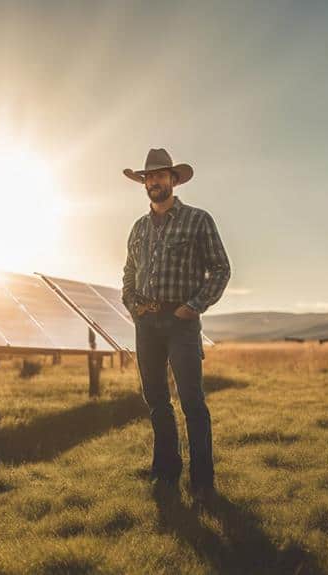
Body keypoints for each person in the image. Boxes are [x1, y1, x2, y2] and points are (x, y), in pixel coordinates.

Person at [121, 148, 231, 500]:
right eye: (148, 177)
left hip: (181, 322)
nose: (154, 181)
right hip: (146, 323)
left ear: (173, 179)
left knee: (192, 402)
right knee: (156, 400)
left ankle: (202, 481)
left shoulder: (198, 220)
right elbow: (128, 273)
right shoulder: (138, 228)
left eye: (160, 175)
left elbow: (220, 269)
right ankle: (166, 471)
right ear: (144, 183)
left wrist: (193, 307)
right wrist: (132, 304)